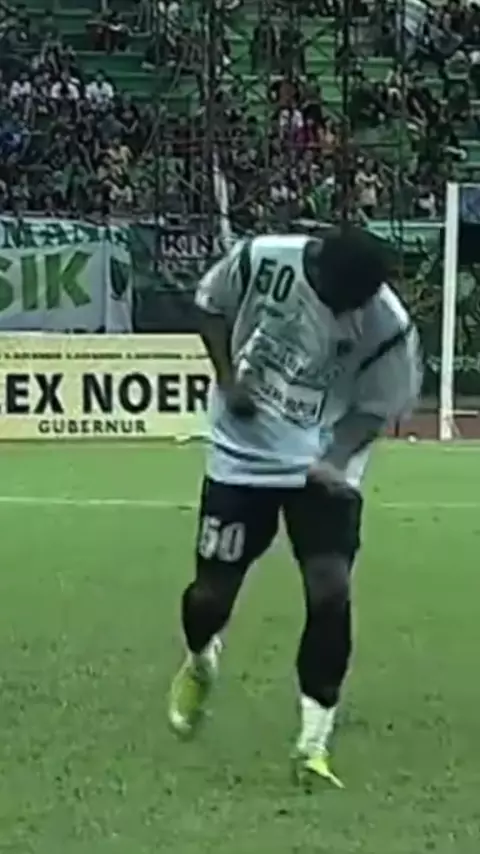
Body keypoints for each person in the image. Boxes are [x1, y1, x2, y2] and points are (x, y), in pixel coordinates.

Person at [168, 228, 422, 787]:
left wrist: (334, 459)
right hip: (242, 453)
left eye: (359, 304)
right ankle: (201, 656)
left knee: (330, 589)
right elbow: (210, 306)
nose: (350, 314)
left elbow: (378, 406)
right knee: (210, 596)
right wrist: (228, 380)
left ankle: (313, 743)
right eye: (341, 300)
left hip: (323, 466)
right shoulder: (262, 258)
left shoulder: (388, 325)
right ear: (319, 269)